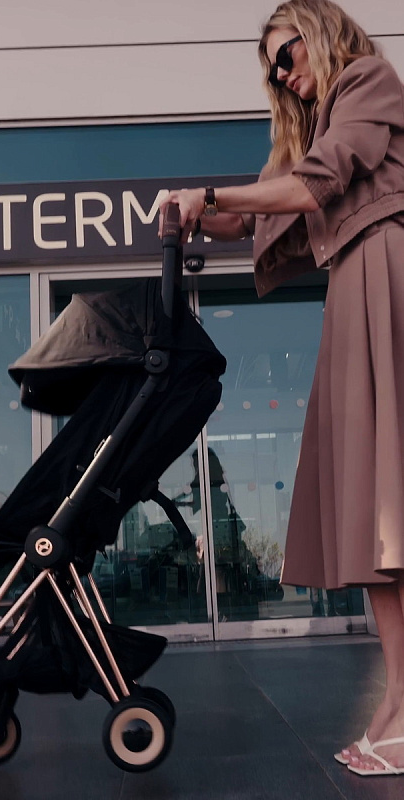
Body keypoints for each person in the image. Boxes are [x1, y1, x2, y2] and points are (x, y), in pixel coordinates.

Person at [158, 0, 404, 776]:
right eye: (272, 69)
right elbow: (255, 219)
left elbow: (313, 185)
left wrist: (214, 197)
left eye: (287, 53)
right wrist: (196, 209)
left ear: (321, 33)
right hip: (354, 289)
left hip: (388, 276)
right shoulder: (311, 131)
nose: (283, 74)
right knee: (370, 518)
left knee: (391, 500)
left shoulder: (367, 81)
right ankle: (400, 700)